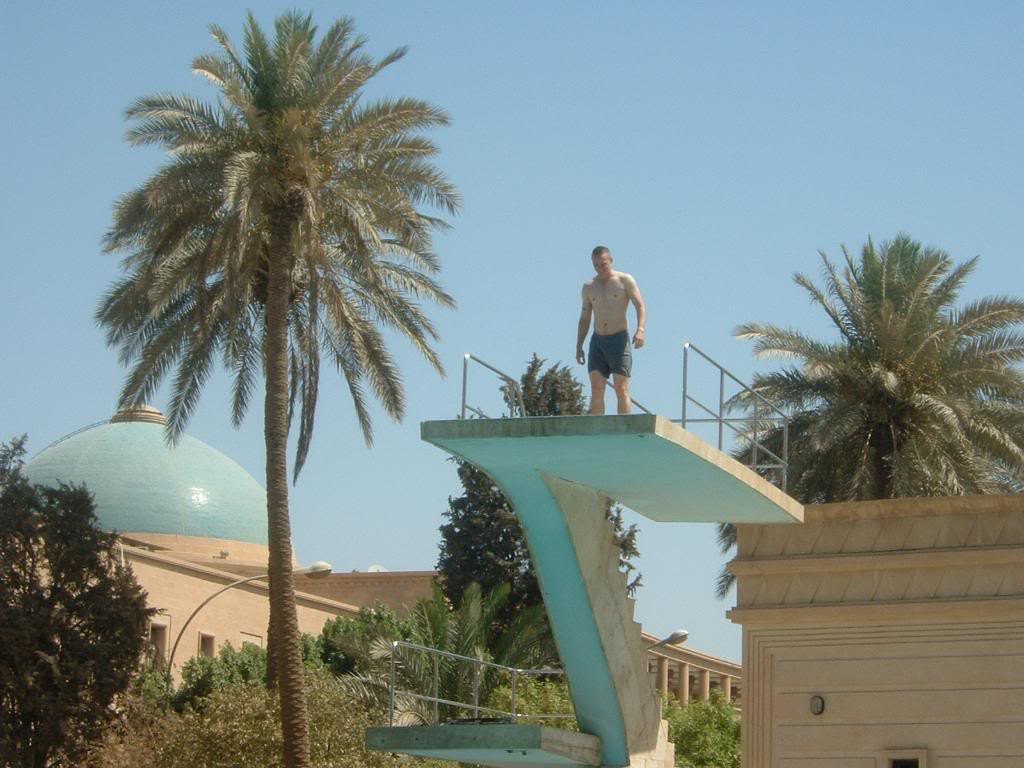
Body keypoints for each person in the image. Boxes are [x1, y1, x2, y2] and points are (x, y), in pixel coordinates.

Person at [576, 245, 646, 415]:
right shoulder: (589, 287)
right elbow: (585, 317)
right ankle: (597, 428)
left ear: (611, 260)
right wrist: (579, 346)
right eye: (596, 265)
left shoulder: (624, 280)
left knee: (621, 388)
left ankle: (624, 428)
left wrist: (640, 329)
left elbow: (640, 305)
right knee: (596, 388)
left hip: (618, 340)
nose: (600, 268)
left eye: (603, 264)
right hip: (598, 340)